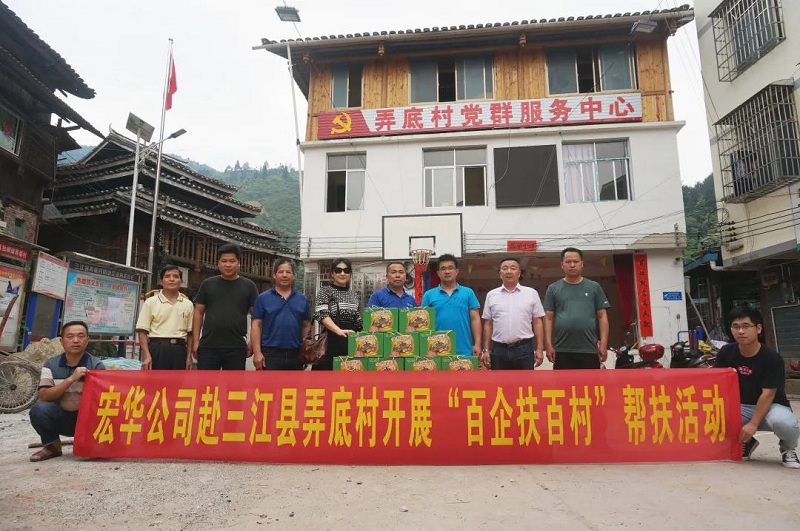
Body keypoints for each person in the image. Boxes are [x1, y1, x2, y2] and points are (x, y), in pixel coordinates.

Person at [715, 306, 800, 468]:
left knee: (785, 423)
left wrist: (753, 424)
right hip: (740, 406)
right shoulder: (726, 352)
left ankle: (788, 449)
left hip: (771, 406)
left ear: (758, 329)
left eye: (746, 326)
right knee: (712, 415)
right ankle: (748, 442)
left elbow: (768, 394)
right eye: (736, 327)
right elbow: (716, 382)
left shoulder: (772, 358)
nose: (741, 331)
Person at [28, 321, 105, 462]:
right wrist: (71, 379)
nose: (76, 340)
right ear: (61, 341)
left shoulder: (96, 366)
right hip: (62, 418)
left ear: (87, 340)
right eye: (70, 336)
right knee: (39, 409)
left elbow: (104, 401)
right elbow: (44, 396)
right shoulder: (50, 365)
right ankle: (52, 447)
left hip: (87, 420)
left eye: (81, 336)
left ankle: (92, 443)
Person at [192, 244, 258, 370]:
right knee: (206, 382)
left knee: (234, 382)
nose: (228, 265)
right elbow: (198, 313)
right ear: (218, 263)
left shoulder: (249, 286)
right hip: (208, 346)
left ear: (238, 263)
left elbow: (256, 317)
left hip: (236, 346)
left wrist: (252, 342)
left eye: (232, 261)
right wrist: (196, 341)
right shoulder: (207, 284)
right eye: (224, 261)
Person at [543, 247, 610, 370]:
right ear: (562, 265)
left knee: (590, 382)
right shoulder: (553, 288)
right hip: (562, 349)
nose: (572, 265)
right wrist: (548, 345)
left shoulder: (594, 287)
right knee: (563, 382)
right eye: (568, 262)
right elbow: (548, 318)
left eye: (576, 261)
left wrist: (603, 344)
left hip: (589, 349)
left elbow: (602, 316)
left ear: (582, 264)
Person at [481, 258, 545, 369]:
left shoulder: (531, 293)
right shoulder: (491, 295)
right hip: (499, 350)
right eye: (505, 268)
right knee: (499, 380)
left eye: (513, 268)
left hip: (524, 349)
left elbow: (537, 322)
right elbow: (488, 324)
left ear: (519, 273)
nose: (509, 271)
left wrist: (539, 348)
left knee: (526, 380)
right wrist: (486, 349)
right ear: (500, 274)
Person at [251, 259, 312, 371]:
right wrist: (257, 352)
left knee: (294, 383)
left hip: (295, 355)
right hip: (270, 354)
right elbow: (256, 325)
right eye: (280, 272)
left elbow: (306, 325)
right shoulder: (263, 298)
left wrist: (304, 351)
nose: (284, 275)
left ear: (294, 276)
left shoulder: (302, 299)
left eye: (288, 272)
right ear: (274, 275)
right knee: (269, 383)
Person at [421, 254, 481, 357]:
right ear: (438, 273)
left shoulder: (468, 293)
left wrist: (477, 344)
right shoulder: (429, 295)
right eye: (443, 269)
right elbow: (424, 323)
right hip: (436, 350)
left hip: (464, 349)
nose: (447, 271)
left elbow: (475, 319)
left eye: (450, 268)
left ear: (456, 271)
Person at [136, 264, 194, 370]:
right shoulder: (150, 302)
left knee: (178, 380)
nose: (172, 279)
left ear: (181, 281)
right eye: (167, 276)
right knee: (155, 380)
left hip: (179, 351)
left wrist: (189, 356)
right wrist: (146, 355)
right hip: (157, 350)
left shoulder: (188, 304)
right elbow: (142, 331)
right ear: (161, 281)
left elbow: (190, 334)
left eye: (176, 276)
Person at [314, 258, 363, 371]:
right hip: (330, 343)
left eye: (346, 270)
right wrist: (338, 331)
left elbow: (358, 321)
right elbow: (322, 314)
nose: (342, 273)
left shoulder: (354, 295)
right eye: (338, 270)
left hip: (350, 343)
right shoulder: (325, 291)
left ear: (350, 274)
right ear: (332, 273)